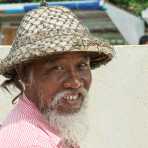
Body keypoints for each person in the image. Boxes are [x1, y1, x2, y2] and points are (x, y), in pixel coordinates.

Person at [0, 4, 114, 148]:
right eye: (58, 68)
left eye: (82, 66)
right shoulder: (27, 141)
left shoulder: (52, 127)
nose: (75, 82)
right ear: (24, 73)